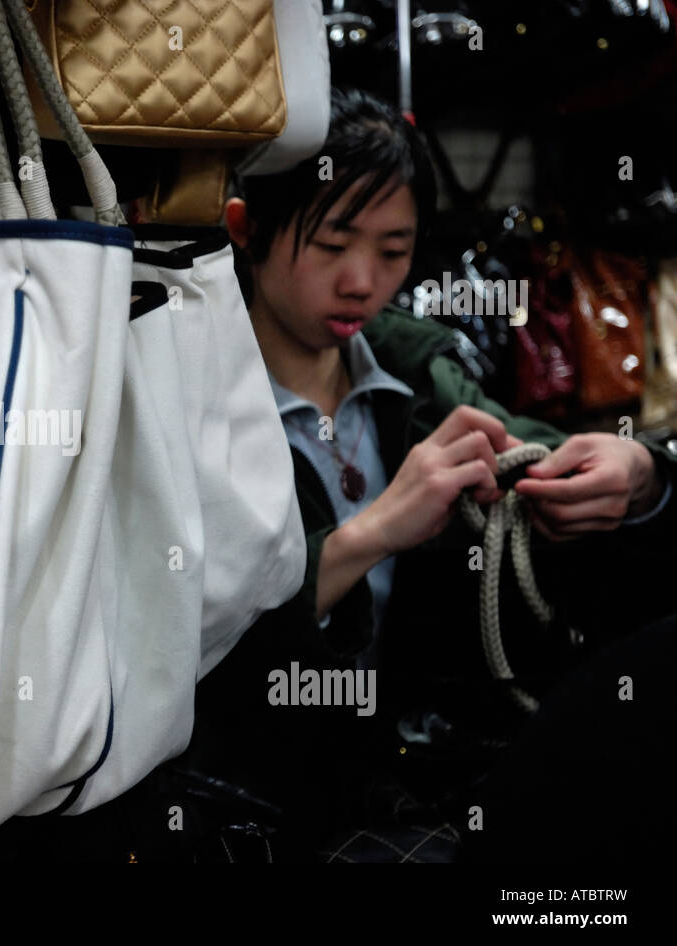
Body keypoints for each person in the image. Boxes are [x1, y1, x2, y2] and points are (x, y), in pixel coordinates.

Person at [180, 87, 677, 861]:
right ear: (246, 229)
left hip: (401, 772)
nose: (361, 281)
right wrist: (372, 533)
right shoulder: (187, 397)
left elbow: (536, 444)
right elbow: (190, 633)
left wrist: (640, 470)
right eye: (334, 241)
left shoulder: (414, 369)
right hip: (245, 796)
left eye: (393, 249)